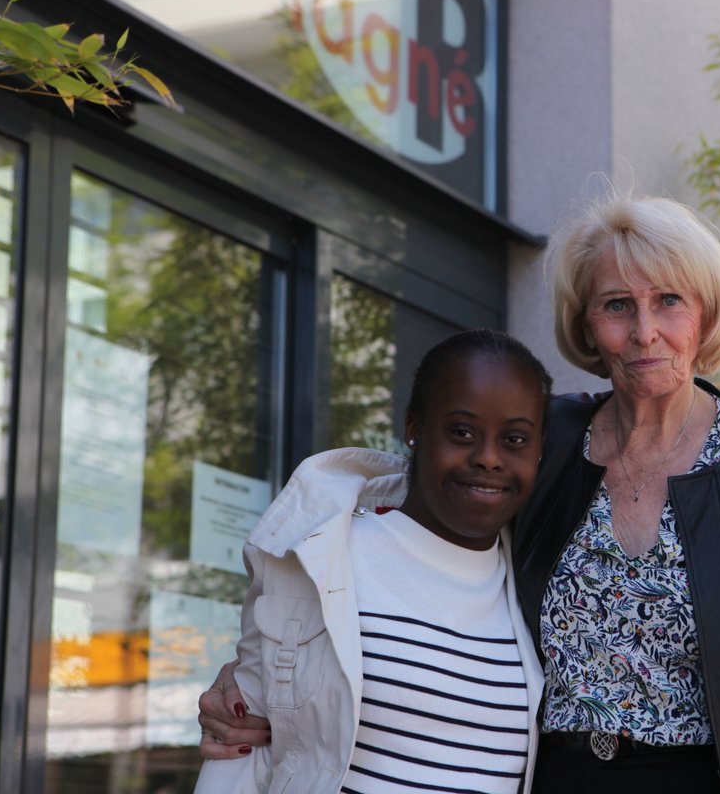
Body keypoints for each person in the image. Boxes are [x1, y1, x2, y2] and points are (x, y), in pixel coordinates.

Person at [199, 196, 720, 792]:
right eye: (618, 305)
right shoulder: (545, 441)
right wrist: (270, 671)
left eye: (669, 301)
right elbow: (409, 521)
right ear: (586, 326)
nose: (644, 331)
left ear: (705, 315)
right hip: (549, 778)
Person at [194, 329, 552, 793]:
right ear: (414, 428)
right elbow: (238, 753)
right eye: (462, 432)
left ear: (540, 449)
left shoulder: (541, 588)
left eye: (515, 439)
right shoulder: (322, 560)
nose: (488, 458)